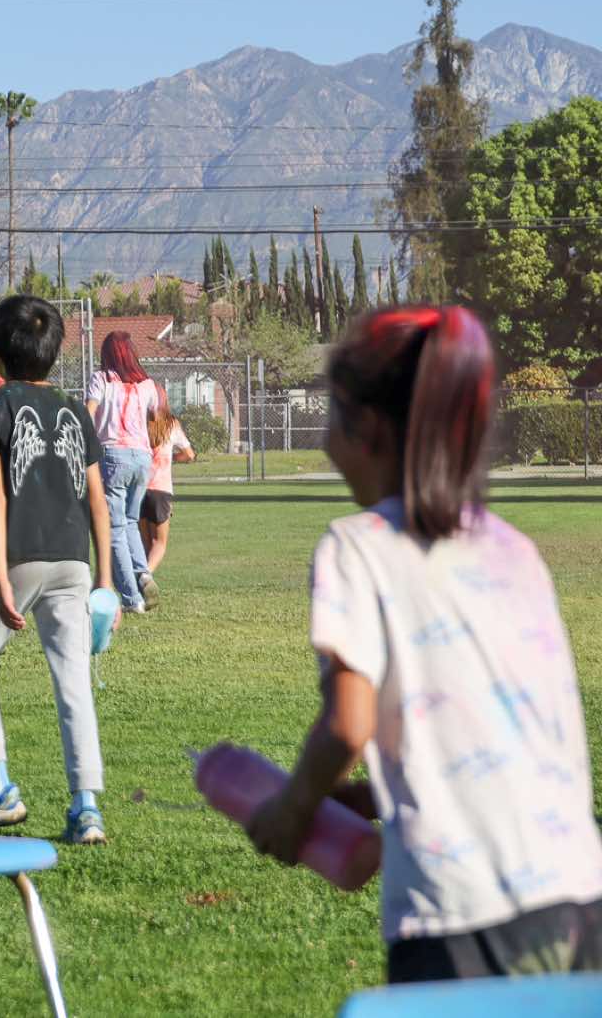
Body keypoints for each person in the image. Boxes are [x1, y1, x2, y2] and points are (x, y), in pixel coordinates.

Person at [246, 306, 602, 986]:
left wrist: (292, 812)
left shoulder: (358, 548)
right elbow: (505, 732)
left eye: (331, 417)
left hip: (462, 919)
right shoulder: (514, 551)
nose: (324, 443)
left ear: (369, 427)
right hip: (579, 899)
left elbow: (347, 724)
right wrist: (376, 797)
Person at [0, 295, 115, 847]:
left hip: (19, 559)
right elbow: (98, 500)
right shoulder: (75, 410)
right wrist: (106, 581)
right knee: (74, 682)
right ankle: (86, 808)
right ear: (54, 351)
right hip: (74, 562)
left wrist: (1, 575)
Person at [85, 330, 162, 614]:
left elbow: (88, 411)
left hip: (113, 454)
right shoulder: (147, 384)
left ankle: (131, 599)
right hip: (142, 456)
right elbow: (155, 417)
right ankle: (143, 574)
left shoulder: (101, 379)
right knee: (130, 522)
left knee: (114, 528)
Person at [140, 403, 195, 576]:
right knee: (159, 543)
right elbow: (189, 455)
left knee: (145, 544)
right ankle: (146, 575)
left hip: (139, 489)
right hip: (160, 490)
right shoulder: (171, 424)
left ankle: (140, 582)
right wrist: (172, 457)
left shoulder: (139, 422)